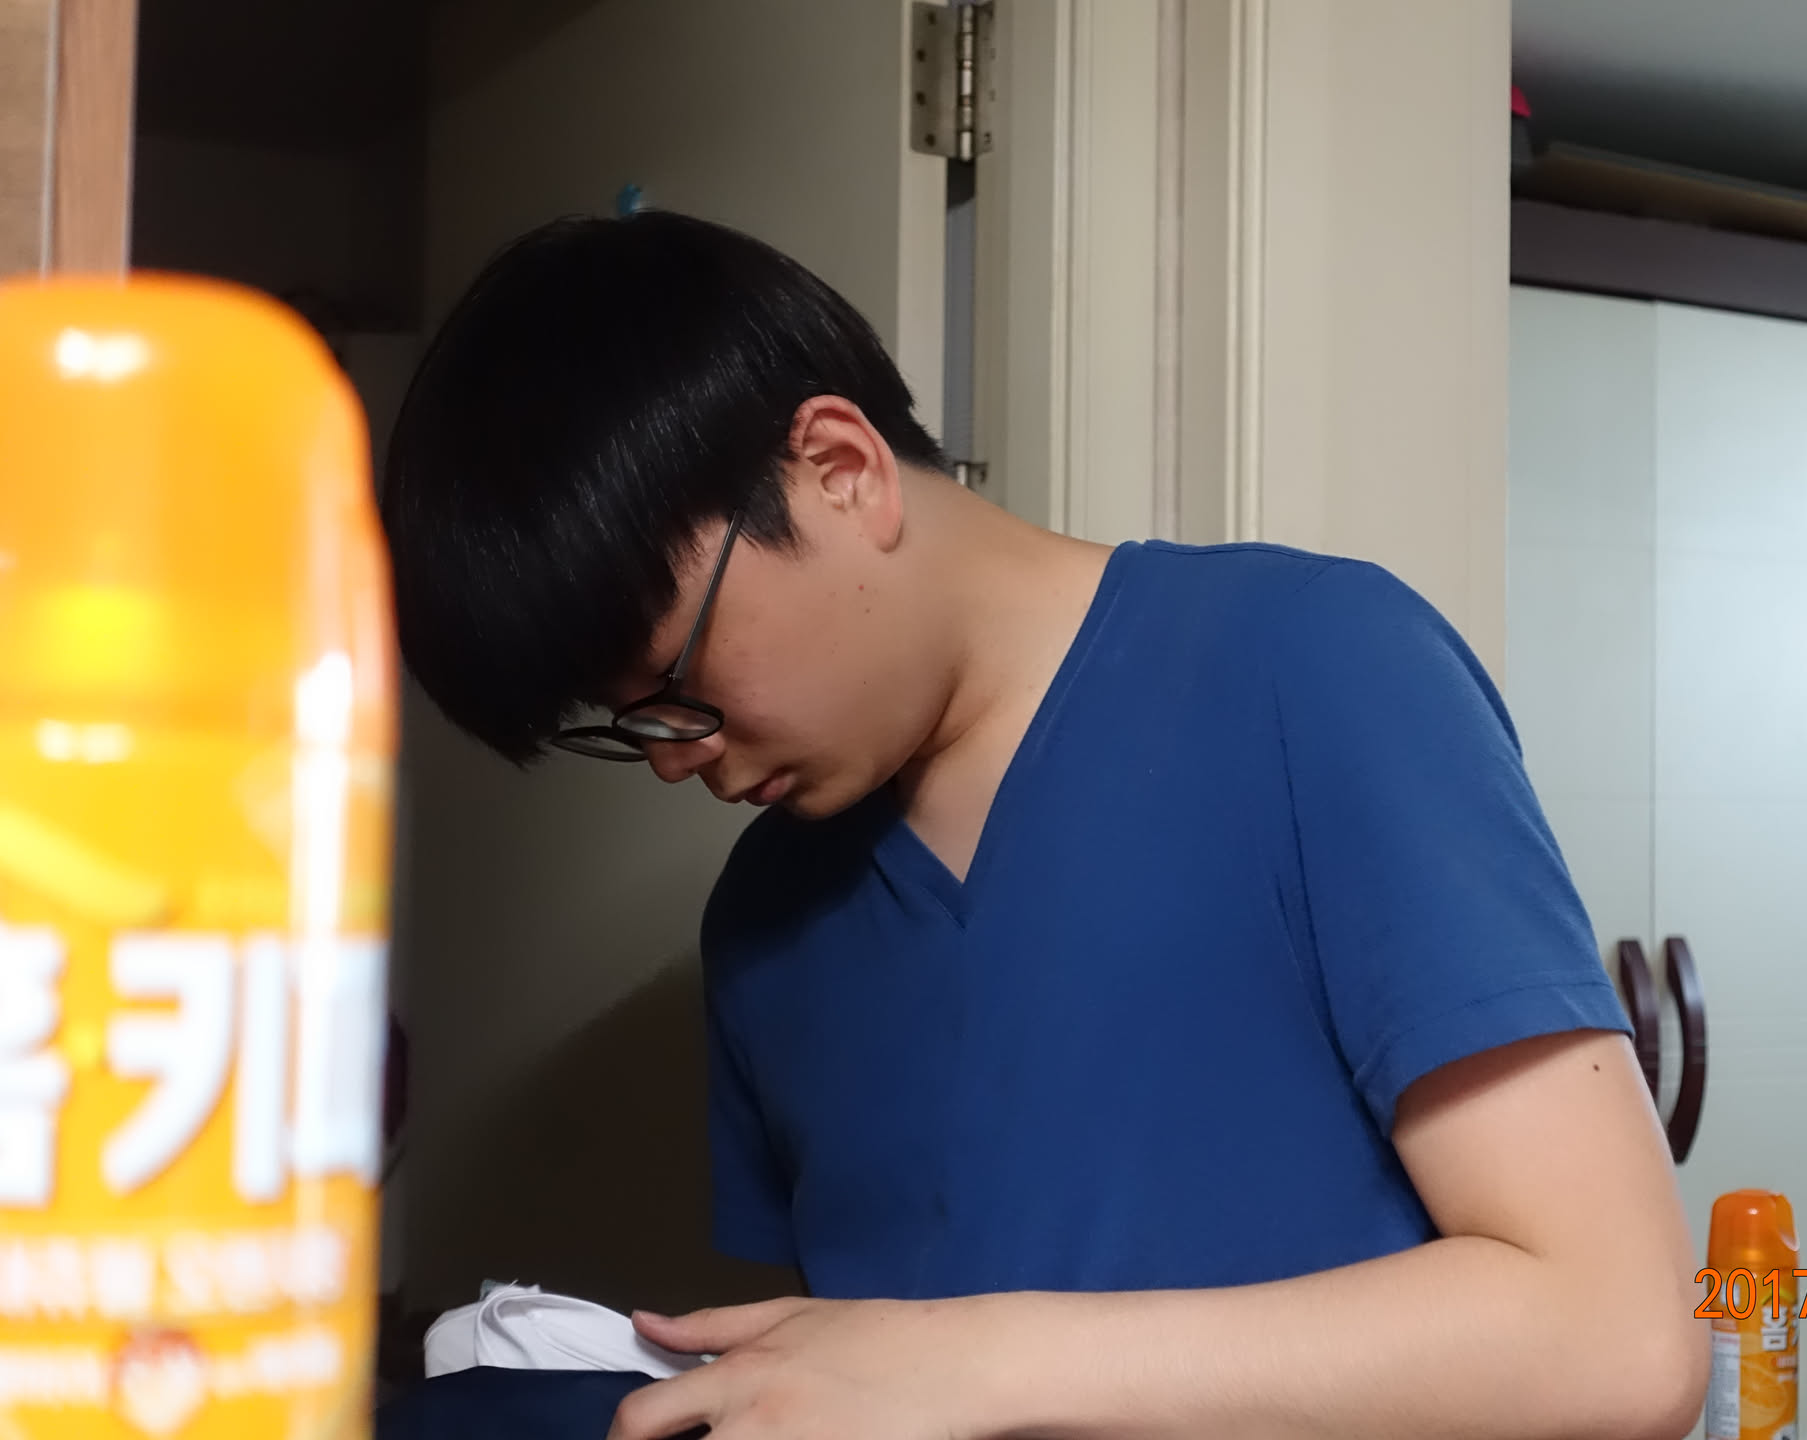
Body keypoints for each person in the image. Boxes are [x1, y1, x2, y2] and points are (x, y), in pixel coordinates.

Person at [376, 209, 1705, 1440]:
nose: (677, 760)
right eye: (631, 727)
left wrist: (978, 1363)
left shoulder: (1312, 671)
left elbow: (1619, 1338)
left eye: (677, 682)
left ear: (840, 470)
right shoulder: (767, 926)